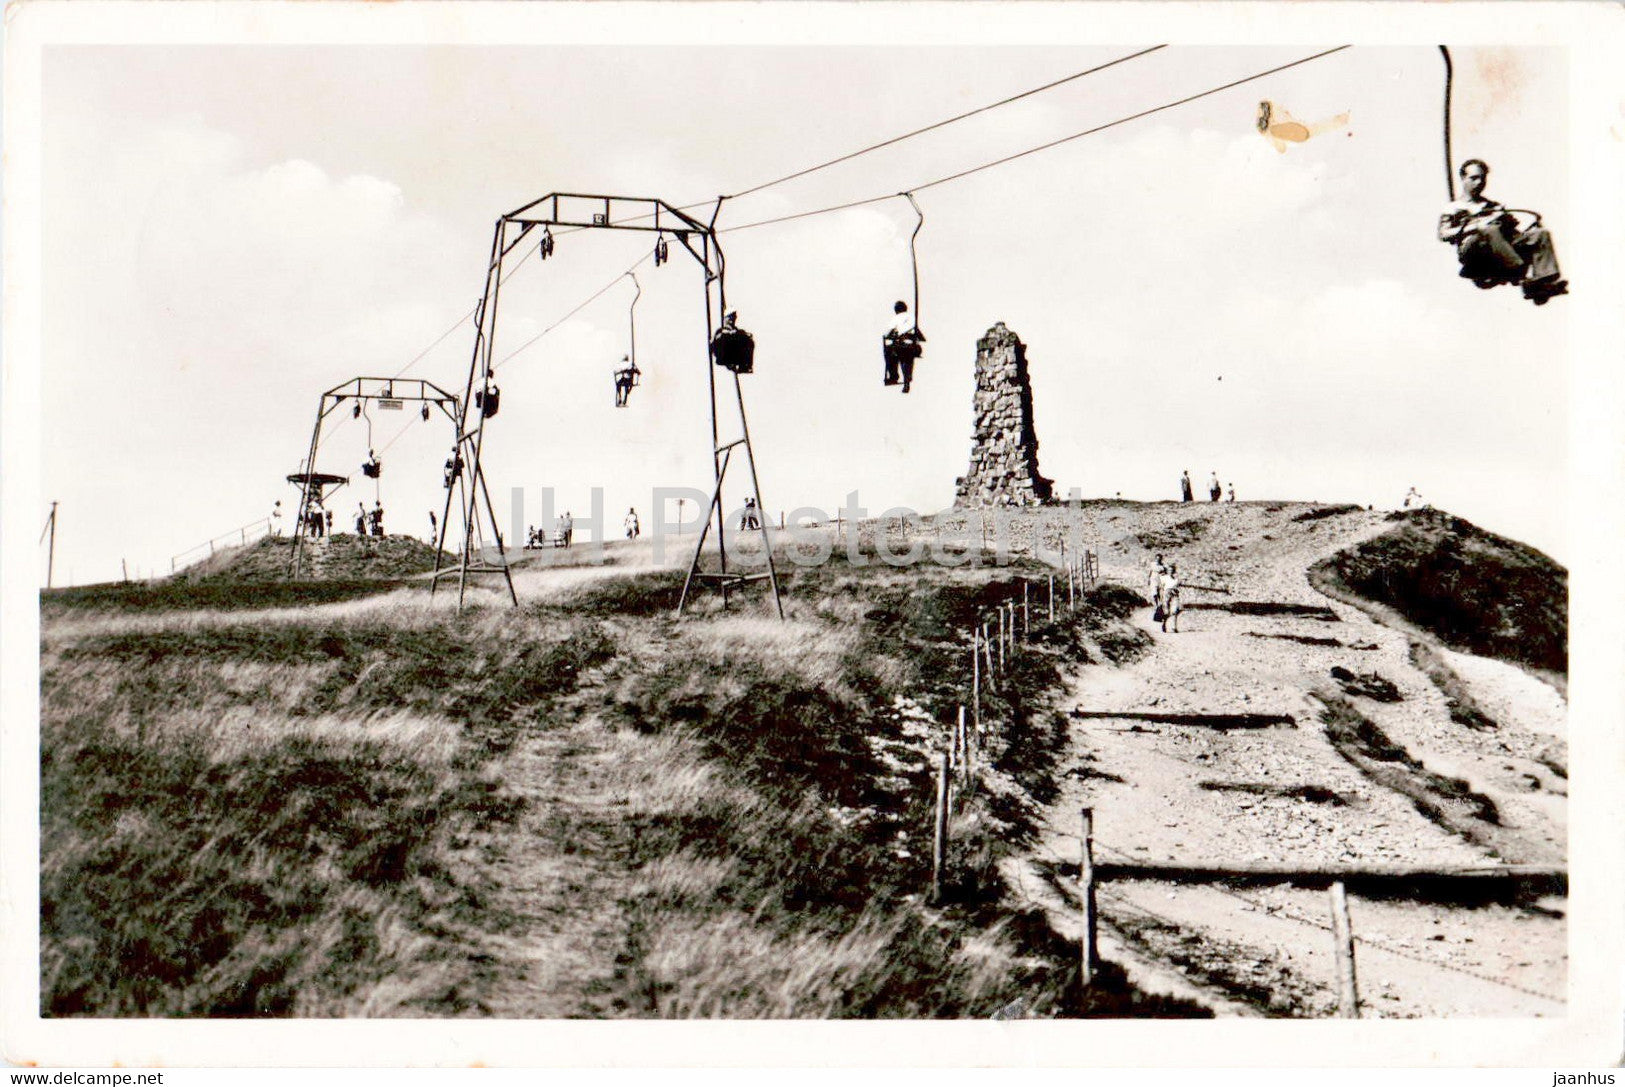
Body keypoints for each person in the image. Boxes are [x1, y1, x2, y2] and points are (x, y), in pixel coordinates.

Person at [1438, 159, 1566, 305]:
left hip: (1498, 250)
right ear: (1463, 178)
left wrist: (1505, 219)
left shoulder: (1492, 206)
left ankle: (1542, 281)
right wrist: (1476, 226)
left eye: (1482, 178)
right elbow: (1444, 234)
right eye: (1473, 178)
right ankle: (1517, 270)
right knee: (1489, 229)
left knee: (1540, 234)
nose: (1479, 182)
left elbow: (1512, 233)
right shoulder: (1454, 207)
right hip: (1475, 252)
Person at [882, 300, 926, 393]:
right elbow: (922, 338)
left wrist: (892, 335)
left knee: (889, 352)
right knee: (907, 360)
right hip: (913, 348)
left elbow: (888, 334)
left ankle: (894, 377)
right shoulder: (913, 318)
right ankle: (907, 381)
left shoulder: (896, 318)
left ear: (896, 310)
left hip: (900, 347)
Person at [1159, 564, 1183, 634]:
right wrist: (1161, 597)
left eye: (1172, 571)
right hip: (1166, 594)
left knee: (1175, 611)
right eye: (1169, 570)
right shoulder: (1164, 578)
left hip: (1175, 595)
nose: (1170, 572)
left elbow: (1178, 587)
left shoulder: (1177, 579)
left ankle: (1174, 627)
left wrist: (1176, 590)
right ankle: (1164, 622)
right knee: (1167, 612)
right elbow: (1161, 588)